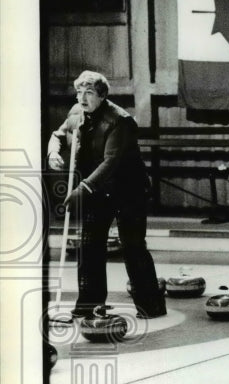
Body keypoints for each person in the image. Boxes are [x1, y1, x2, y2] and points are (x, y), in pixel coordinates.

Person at [47, 70, 166, 319]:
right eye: (79, 92)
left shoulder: (119, 121)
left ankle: (151, 305)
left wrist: (82, 189)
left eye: (88, 93)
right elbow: (58, 135)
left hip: (129, 191)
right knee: (89, 245)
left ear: (102, 96)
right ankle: (89, 305)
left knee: (132, 246)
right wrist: (53, 152)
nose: (82, 97)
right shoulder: (76, 113)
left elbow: (110, 162)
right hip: (99, 191)